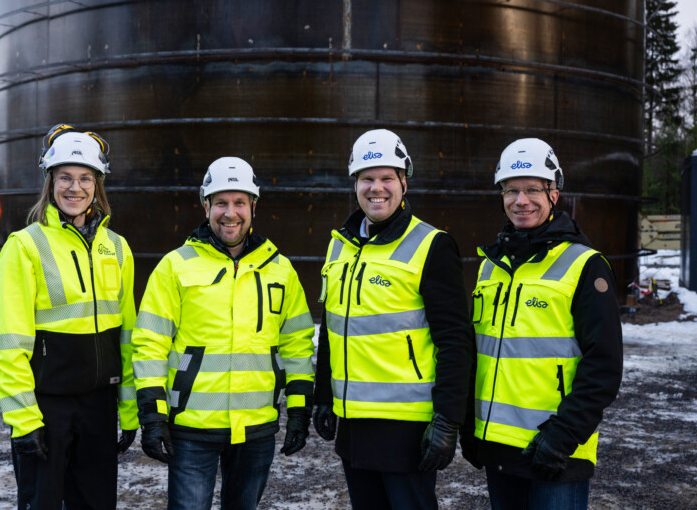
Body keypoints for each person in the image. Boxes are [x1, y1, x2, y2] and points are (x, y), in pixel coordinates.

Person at [131, 157, 316, 510]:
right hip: (191, 429)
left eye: (239, 202)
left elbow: (297, 343)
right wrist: (153, 415)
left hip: (257, 429)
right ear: (206, 206)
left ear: (253, 207)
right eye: (220, 202)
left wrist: (298, 410)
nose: (230, 213)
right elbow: (150, 343)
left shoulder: (280, 269)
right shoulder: (176, 266)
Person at [312, 129, 473, 510]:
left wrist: (449, 420)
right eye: (367, 179)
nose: (376, 188)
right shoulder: (340, 245)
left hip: (407, 428)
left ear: (404, 182)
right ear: (355, 185)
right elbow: (335, 328)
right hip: (354, 423)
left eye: (387, 178)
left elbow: (455, 341)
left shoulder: (432, 245)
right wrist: (324, 397)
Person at [460, 138, 623, 509]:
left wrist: (563, 438)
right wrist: (470, 426)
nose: (521, 200)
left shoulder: (584, 266)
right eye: (511, 190)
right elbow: (479, 353)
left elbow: (605, 366)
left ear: (554, 192)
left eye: (533, 189)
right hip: (500, 448)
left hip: (556, 453)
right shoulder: (491, 266)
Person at [0, 124, 138, 509]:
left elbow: (127, 337)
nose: (75, 188)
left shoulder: (118, 248)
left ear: (98, 184)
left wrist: (128, 408)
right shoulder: (25, 247)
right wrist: (23, 420)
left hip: (99, 405)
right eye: (65, 178)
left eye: (85, 178)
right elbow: (9, 342)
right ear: (50, 182)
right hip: (46, 407)